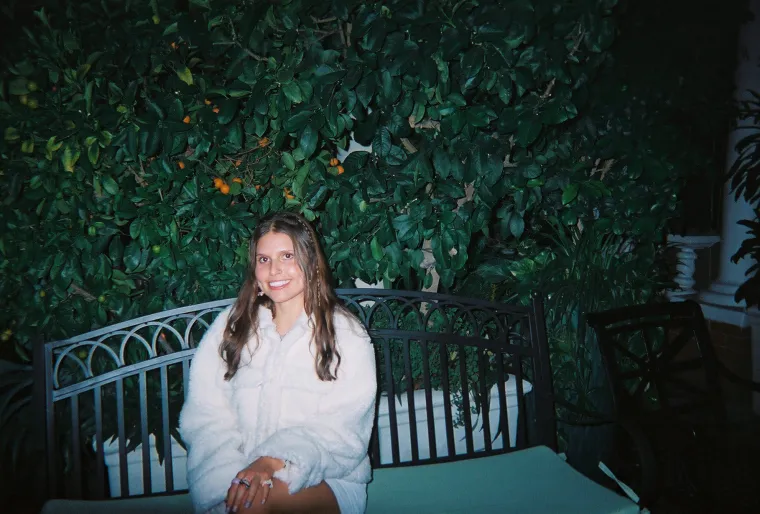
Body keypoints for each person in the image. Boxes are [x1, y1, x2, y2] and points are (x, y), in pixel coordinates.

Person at [179, 211, 377, 514]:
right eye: (264, 259)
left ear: (311, 263)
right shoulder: (232, 328)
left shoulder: (346, 334)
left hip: (326, 476)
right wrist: (230, 476)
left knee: (251, 503)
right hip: (241, 473)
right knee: (243, 498)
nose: (275, 270)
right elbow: (207, 416)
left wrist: (272, 460)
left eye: (287, 255)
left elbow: (342, 430)